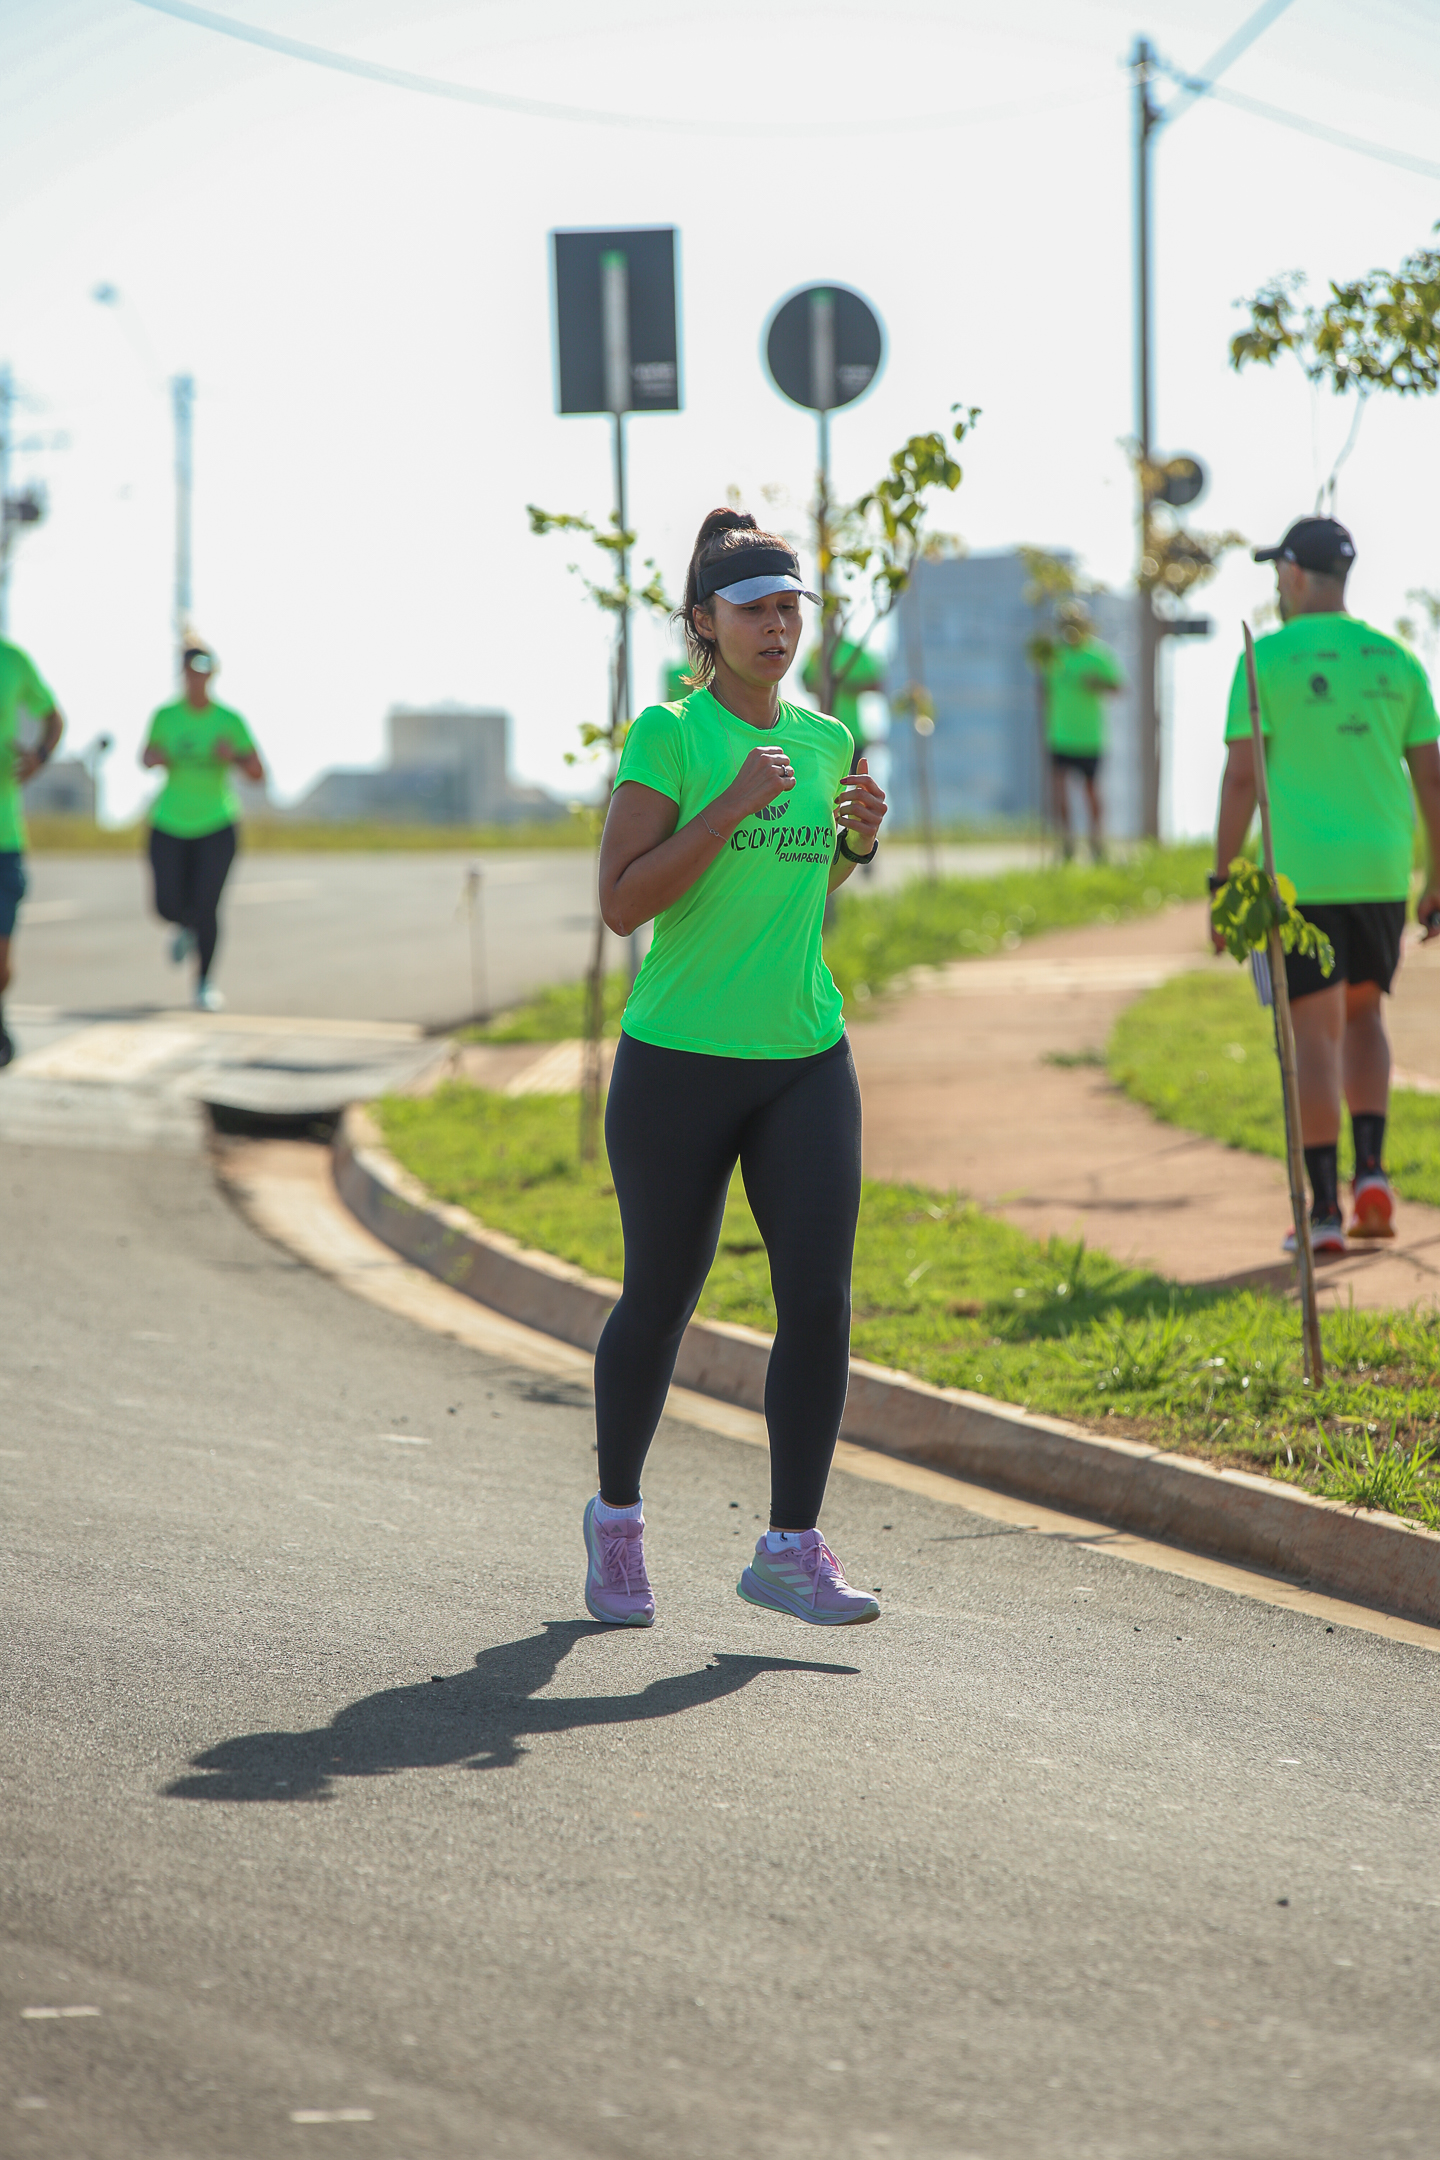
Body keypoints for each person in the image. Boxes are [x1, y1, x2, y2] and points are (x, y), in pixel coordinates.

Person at [583, 507, 888, 1629]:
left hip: (804, 1054)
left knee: (818, 1299)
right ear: (705, 622)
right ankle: (617, 1520)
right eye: (755, 608)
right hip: (678, 1061)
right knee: (662, 1297)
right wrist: (728, 804)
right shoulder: (671, 736)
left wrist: (854, 843)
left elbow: (797, 884)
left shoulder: (827, 740)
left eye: (790, 607)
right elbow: (624, 903)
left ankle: (789, 1548)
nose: (778, 626)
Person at [1212, 516, 1440, 1253]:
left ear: (1294, 575)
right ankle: (1371, 1174)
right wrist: (1435, 876)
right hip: (1381, 871)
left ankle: (1321, 1213)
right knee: (1366, 1016)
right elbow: (1432, 779)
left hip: (1299, 877)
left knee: (1314, 1034)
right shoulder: (1397, 658)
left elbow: (1242, 778)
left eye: (1279, 572)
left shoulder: (1266, 658)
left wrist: (1222, 879)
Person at [142, 642, 263, 1012]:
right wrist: (155, 757)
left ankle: (204, 983)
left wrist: (234, 755)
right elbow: (145, 757)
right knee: (165, 904)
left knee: (207, 905)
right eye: (190, 670)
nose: (197, 677)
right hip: (169, 822)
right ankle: (184, 927)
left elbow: (257, 772)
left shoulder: (229, 720)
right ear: (183, 674)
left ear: (212, 673)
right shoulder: (165, 716)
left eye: (203, 670)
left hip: (216, 824)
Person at [0, 635, 64, 1068]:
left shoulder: (13, 660)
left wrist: (40, 755)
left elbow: (54, 717)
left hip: (5, 837)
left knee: (1, 960)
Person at [1039, 602, 1125, 859]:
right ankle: (1066, 841)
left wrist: (1096, 683)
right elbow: (1044, 690)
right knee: (1059, 789)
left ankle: (1096, 840)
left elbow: (1118, 686)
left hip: (1089, 736)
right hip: (1059, 733)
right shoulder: (1053, 655)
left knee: (1091, 790)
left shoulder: (1098, 654)